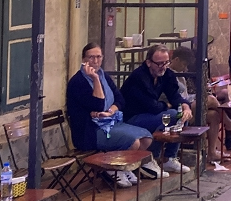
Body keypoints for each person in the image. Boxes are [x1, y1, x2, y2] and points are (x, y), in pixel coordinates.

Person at [66, 43, 154, 187]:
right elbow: (98, 104)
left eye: (98, 57)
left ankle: (125, 167)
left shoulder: (104, 75)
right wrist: (94, 79)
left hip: (111, 122)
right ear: (83, 59)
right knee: (133, 141)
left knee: (146, 138)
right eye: (91, 57)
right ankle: (114, 169)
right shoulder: (78, 82)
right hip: (89, 131)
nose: (95, 61)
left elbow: (120, 99)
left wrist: (110, 111)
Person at [120, 44, 192, 176]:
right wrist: (169, 105)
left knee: (181, 115)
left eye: (166, 62)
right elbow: (152, 106)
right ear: (148, 62)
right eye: (159, 64)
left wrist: (186, 106)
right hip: (132, 118)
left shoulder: (166, 74)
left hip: (150, 114)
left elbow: (174, 96)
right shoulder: (139, 77)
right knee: (172, 115)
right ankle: (151, 158)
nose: (163, 67)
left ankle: (169, 158)